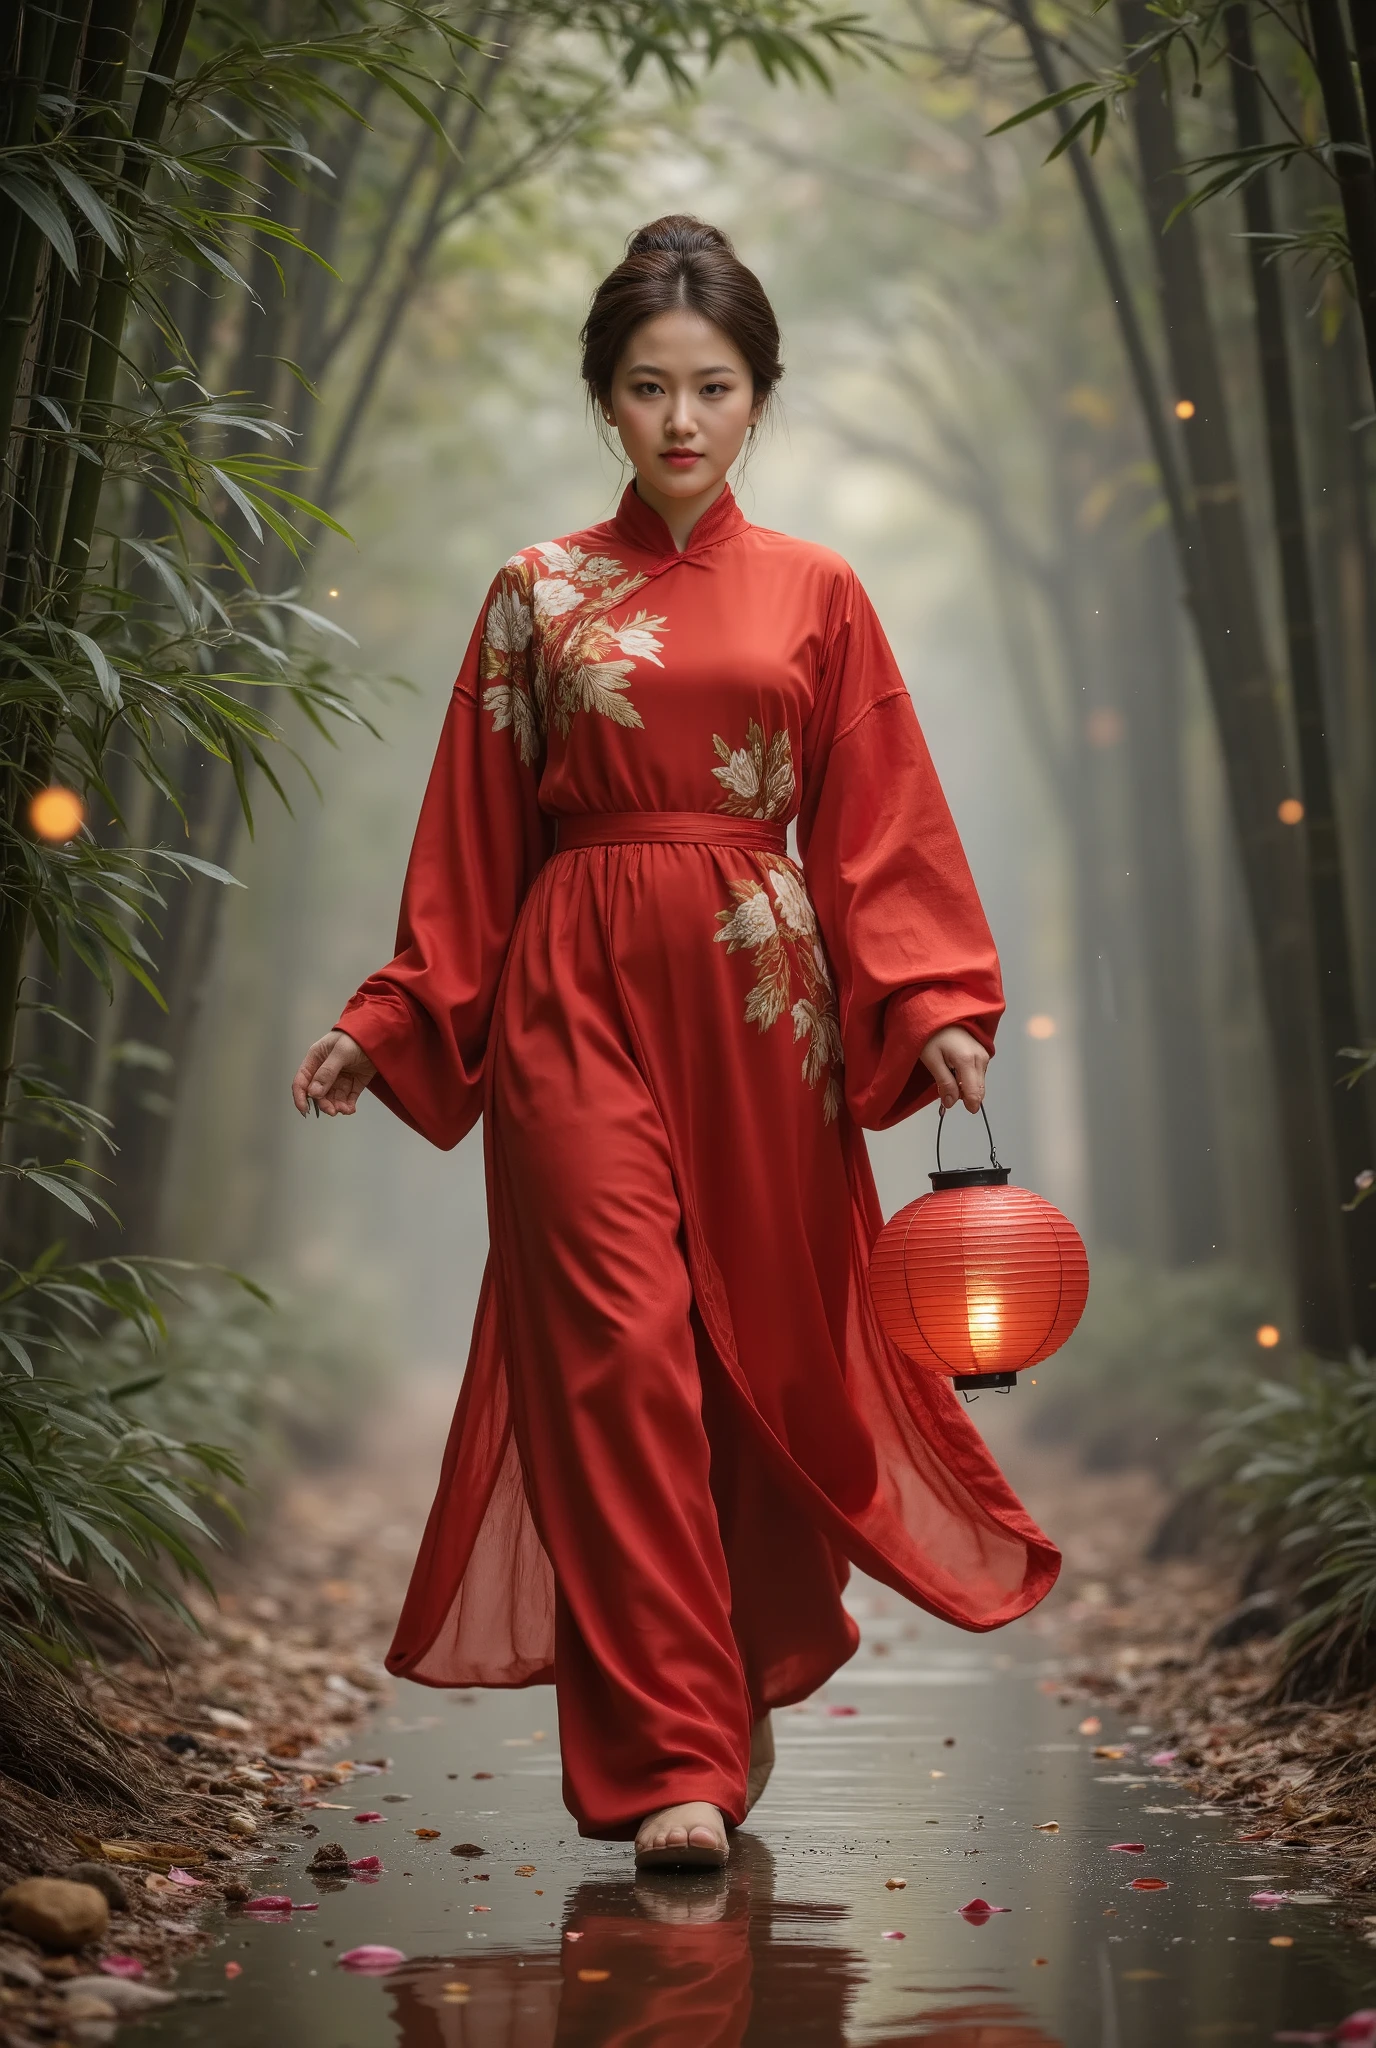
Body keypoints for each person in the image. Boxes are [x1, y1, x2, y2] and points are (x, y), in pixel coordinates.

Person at [292, 216, 1058, 1874]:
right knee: (615, 1356)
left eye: (714, 386)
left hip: (761, 1006)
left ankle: (735, 1664)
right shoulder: (535, 593)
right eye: (649, 387)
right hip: (568, 995)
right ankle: (675, 1764)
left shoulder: (820, 592)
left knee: (749, 1366)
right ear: (606, 399)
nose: (682, 419)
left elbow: (880, 820)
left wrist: (931, 1004)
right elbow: (471, 837)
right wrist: (393, 1015)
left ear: (759, 396)